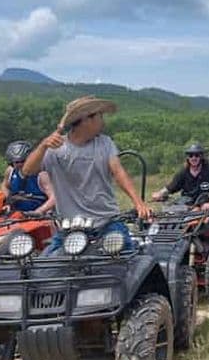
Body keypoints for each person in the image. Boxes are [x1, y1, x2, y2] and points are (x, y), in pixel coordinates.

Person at [23, 96, 151, 253]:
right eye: (100, 116)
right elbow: (27, 170)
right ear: (86, 119)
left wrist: (138, 202)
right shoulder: (55, 148)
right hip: (70, 228)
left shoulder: (105, 143)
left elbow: (118, 172)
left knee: (126, 260)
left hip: (107, 223)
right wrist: (43, 146)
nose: (103, 121)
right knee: (46, 264)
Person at [151, 143, 209, 209]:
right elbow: (170, 187)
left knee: (208, 217)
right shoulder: (183, 172)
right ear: (188, 158)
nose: (194, 158)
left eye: (196, 155)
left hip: (206, 207)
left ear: (201, 157)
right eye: (191, 155)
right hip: (187, 207)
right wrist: (159, 193)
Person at [0, 140, 56, 216]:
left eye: (23, 161)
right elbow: (4, 186)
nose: (20, 164)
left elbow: (54, 198)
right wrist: (8, 200)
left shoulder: (41, 175)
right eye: (16, 162)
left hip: (40, 216)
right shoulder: (10, 172)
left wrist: (39, 211)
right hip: (16, 215)